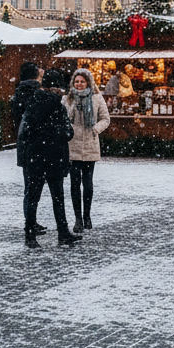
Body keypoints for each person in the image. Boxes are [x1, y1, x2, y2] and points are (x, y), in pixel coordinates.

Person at [18, 68, 79, 248]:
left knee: (32, 197)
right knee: (57, 197)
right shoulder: (58, 107)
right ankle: (63, 232)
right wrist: (55, 135)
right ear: (56, 88)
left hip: (34, 158)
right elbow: (68, 132)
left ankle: (30, 236)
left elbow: (25, 132)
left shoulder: (31, 103)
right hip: (54, 158)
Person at [63, 67, 110, 233]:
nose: (79, 84)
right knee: (75, 183)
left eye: (82, 81)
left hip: (90, 143)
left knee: (88, 183)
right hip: (73, 144)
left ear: (88, 82)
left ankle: (87, 215)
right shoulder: (67, 98)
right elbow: (63, 118)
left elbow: (105, 118)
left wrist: (95, 129)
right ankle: (78, 219)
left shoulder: (97, 98)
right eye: (77, 81)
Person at [11, 62, 48, 237]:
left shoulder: (18, 93)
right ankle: (30, 223)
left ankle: (30, 221)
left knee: (30, 187)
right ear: (35, 77)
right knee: (34, 188)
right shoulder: (37, 94)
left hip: (25, 146)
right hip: (37, 146)